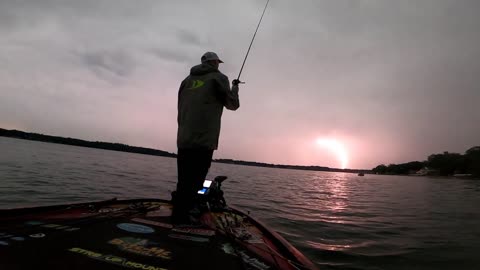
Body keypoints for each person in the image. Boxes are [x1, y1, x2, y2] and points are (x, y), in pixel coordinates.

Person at [172, 51, 240, 224]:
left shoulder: (186, 81)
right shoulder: (218, 78)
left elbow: (180, 106)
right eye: (217, 62)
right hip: (204, 139)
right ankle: (185, 216)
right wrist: (235, 87)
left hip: (184, 138)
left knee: (184, 180)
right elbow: (232, 104)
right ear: (214, 62)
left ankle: (178, 213)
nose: (218, 65)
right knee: (196, 179)